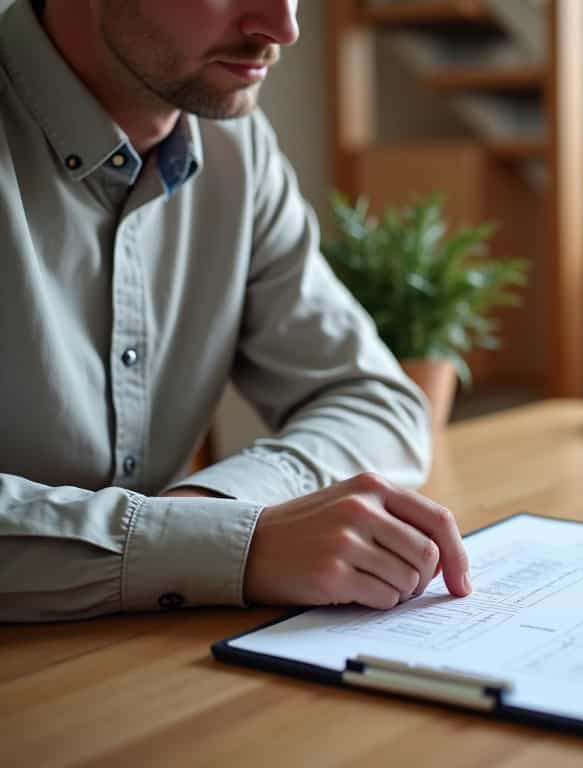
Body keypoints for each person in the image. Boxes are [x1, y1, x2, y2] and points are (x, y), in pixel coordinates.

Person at [0, 0, 472, 622]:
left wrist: (208, 518)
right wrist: (226, 546)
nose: (283, 28)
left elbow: (375, 401)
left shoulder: (235, 145)